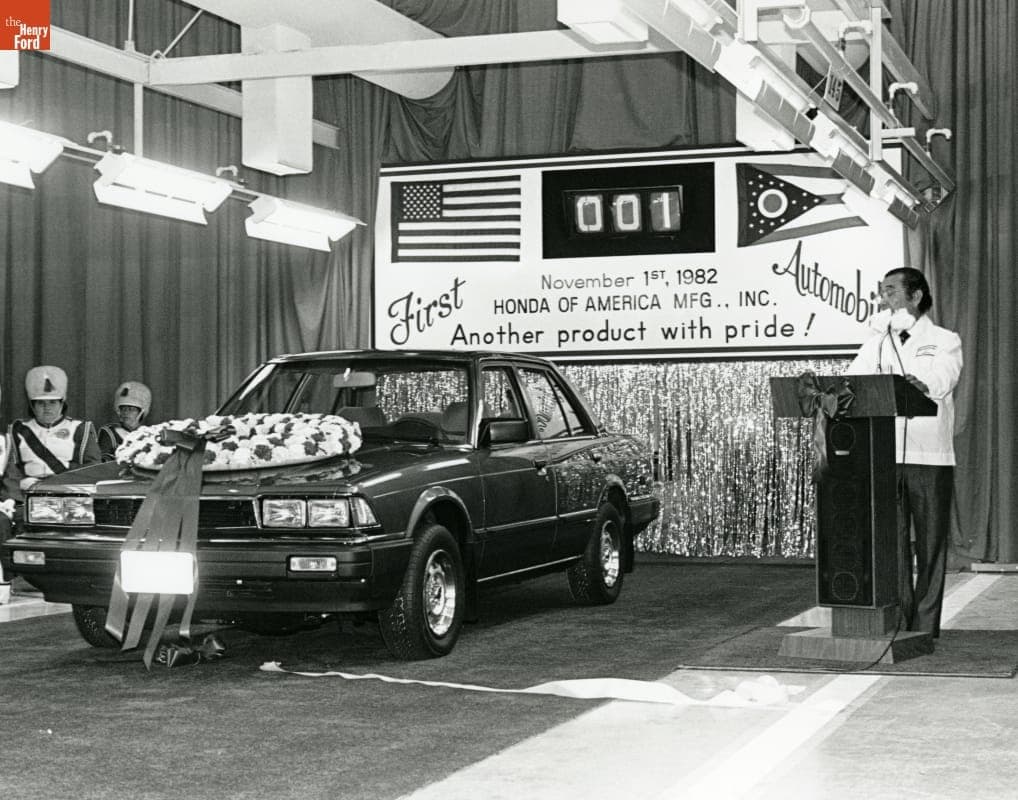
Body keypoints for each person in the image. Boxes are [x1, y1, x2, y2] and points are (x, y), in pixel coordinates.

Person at [845, 267, 963, 637]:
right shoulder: (877, 341)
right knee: (890, 544)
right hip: (885, 456)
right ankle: (898, 621)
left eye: (892, 291)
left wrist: (921, 384)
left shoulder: (945, 339)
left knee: (930, 545)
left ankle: (926, 626)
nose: (884, 299)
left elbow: (944, 379)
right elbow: (852, 381)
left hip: (929, 456)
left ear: (916, 296)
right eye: (882, 292)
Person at [2, 366, 101, 505]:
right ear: (32, 405)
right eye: (41, 403)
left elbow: (93, 469)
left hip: (69, 498)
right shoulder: (18, 429)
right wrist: (14, 499)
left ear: (62, 403)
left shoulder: (81, 429)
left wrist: (58, 483)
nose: (46, 407)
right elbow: (10, 471)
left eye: (52, 402)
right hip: (26, 498)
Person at [98, 381, 152, 461]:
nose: (126, 412)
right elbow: (103, 462)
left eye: (131, 409)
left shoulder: (149, 435)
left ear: (141, 412)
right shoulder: (109, 432)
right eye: (123, 409)